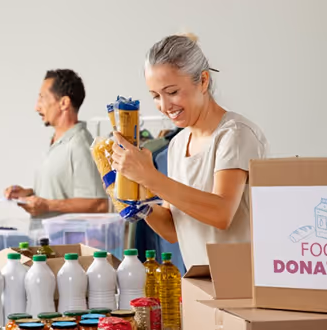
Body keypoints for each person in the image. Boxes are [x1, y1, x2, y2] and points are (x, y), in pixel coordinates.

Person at [111, 33, 268, 270]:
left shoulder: (235, 134)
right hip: (199, 282)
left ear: (203, 81)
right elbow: (174, 230)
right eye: (155, 96)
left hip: (242, 285)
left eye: (172, 92)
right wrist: (138, 200)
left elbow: (221, 213)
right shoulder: (177, 144)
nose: (164, 106)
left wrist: (149, 177)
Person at [4, 69, 108, 234]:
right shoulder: (59, 143)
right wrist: (27, 194)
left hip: (65, 248)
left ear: (64, 103)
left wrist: (47, 206)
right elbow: (62, 190)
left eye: (42, 98)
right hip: (45, 244)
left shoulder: (79, 145)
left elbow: (99, 204)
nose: (36, 106)